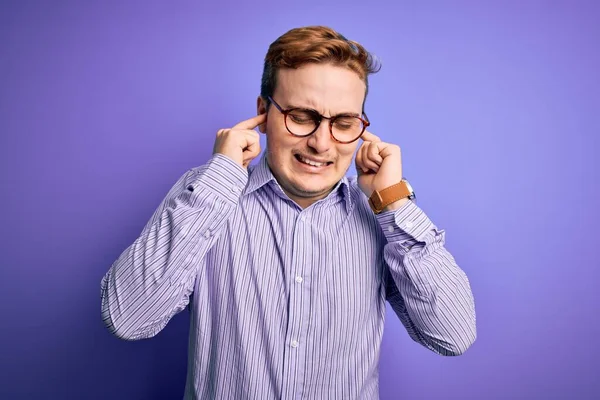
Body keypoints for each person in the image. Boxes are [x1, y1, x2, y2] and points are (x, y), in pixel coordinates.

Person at [101, 25, 476, 399]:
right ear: (263, 112)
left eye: (344, 123)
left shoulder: (382, 217)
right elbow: (129, 319)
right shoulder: (205, 198)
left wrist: (393, 202)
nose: (321, 143)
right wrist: (219, 179)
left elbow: (453, 336)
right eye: (300, 116)